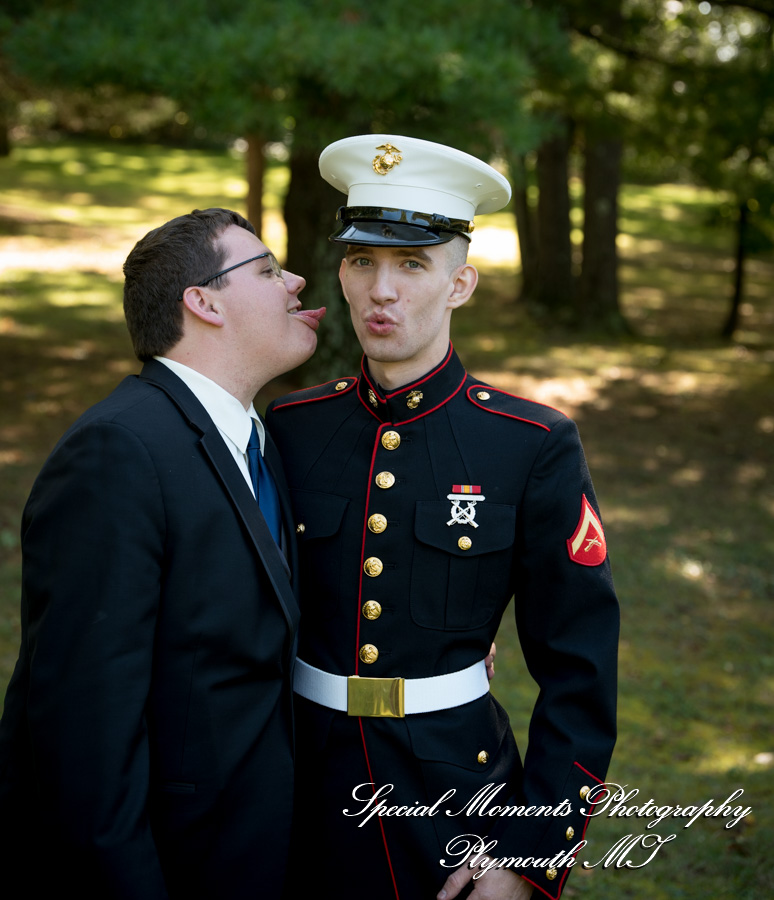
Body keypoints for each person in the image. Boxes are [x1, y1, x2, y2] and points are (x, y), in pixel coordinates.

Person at [266, 135, 620, 900]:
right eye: (362, 261)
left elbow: (580, 667)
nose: (380, 291)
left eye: (412, 264)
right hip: (293, 782)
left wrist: (531, 855)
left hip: (453, 792)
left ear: (461, 284)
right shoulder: (290, 427)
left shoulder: (529, 445)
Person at [0, 208, 325, 899]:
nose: (296, 282)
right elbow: (81, 731)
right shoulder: (118, 452)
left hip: (260, 851)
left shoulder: (260, 444)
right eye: (267, 271)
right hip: (173, 866)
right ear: (203, 302)